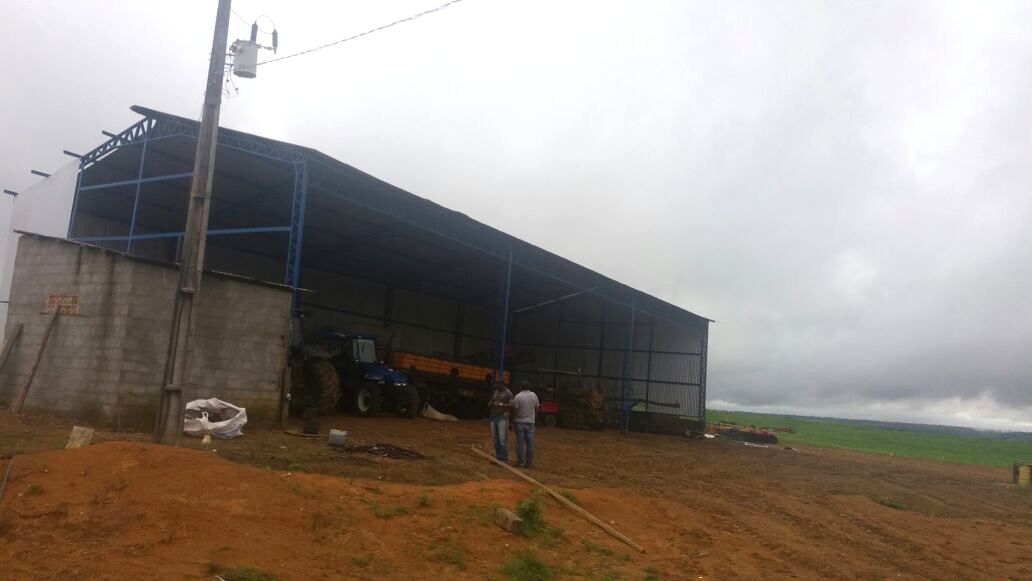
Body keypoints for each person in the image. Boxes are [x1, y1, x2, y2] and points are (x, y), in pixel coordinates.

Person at [511, 380, 540, 468]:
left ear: (520, 387)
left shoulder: (518, 396)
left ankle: (520, 462)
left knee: (520, 443)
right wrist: (533, 416)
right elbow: (537, 407)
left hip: (520, 421)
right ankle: (529, 462)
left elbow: (515, 410)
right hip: (530, 422)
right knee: (530, 443)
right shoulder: (534, 395)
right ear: (528, 387)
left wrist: (513, 420)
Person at [488, 379, 514, 462]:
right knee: (495, 440)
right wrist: (490, 402)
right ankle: (498, 458)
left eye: (497, 384)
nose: (496, 386)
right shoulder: (495, 392)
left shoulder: (508, 393)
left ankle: (504, 459)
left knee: (502, 439)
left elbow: (512, 405)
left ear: (502, 384)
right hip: (494, 417)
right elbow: (492, 400)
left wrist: (500, 404)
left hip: (502, 418)